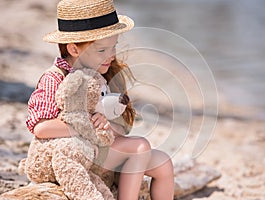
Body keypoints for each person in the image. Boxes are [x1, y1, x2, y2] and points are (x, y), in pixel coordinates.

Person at [26, 0, 174, 199]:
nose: (111, 56)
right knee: (140, 147)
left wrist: (106, 126)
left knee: (164, 164)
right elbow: (41, 128)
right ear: (74, 49)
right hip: (72, 156)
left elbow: (122, 129)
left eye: (114, 47)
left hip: (102, 147)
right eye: (102, 50)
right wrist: (87, 125)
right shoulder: (55, 78)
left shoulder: (102, 74)